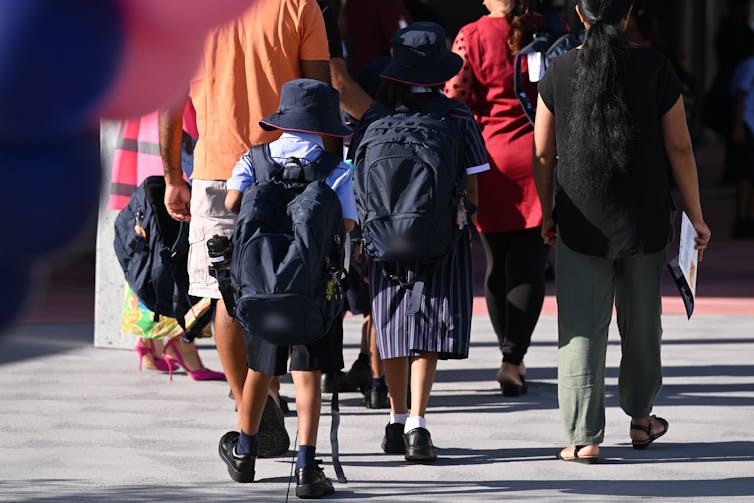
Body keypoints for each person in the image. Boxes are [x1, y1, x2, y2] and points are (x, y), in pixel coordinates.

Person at [533, 0, 711, 463]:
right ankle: (641, 419)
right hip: (644, 219)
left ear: (579, 13)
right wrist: (696, 213)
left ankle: (582, 436)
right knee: (643, 324)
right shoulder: (655, 67)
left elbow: (542, 154)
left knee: (579, 328)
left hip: (578, 221)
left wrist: (548, 212)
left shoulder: (559, 70)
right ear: (630, 13)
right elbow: (680, 146)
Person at [160, 0, 332, 462]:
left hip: (217, 173)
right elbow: (319, 91)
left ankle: (250, 412)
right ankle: (275, 398)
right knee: (292, 280)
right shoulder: (298, 6)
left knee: (225, 295)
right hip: (287, 168)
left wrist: (173, 175)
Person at [349, 22, 489, 463]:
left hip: (382, 238)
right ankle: (418, 426)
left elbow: (356, 182)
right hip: (441, 234)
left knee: (390, 325)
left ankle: (394, 419)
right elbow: (474, 192)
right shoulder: (456, 116)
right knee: (428, 327)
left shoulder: (373, 118)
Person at [220, 78, 356, 498]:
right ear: (324, 124)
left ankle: (244, 452)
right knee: (308, 374)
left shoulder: (254, 158)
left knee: (260, 371)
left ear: (285, 117)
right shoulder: (338, 169)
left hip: (261, 284)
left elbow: (231, 204)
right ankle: (306, 466)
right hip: (314, 289)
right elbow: (349, 223)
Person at [445, 0, 548, 396]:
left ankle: (510, 355)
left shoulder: (470, 37)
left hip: (489, 160)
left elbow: (455, 98)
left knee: (496, 263)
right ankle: (512, 357)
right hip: (537, 156)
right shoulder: (542, 31)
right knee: (530, 264)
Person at [110, 104, 224, 381]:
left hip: (151, 126)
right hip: (174, 133)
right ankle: (181, 343)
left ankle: (152, 346)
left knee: (147, 242)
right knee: (175, 244)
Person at [730, 50, 754, 238]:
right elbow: (740, 94)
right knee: (744, 175)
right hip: (748, 124)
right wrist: (738, 125)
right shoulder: (750, 64)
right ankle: (741, 218)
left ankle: (749, 218)